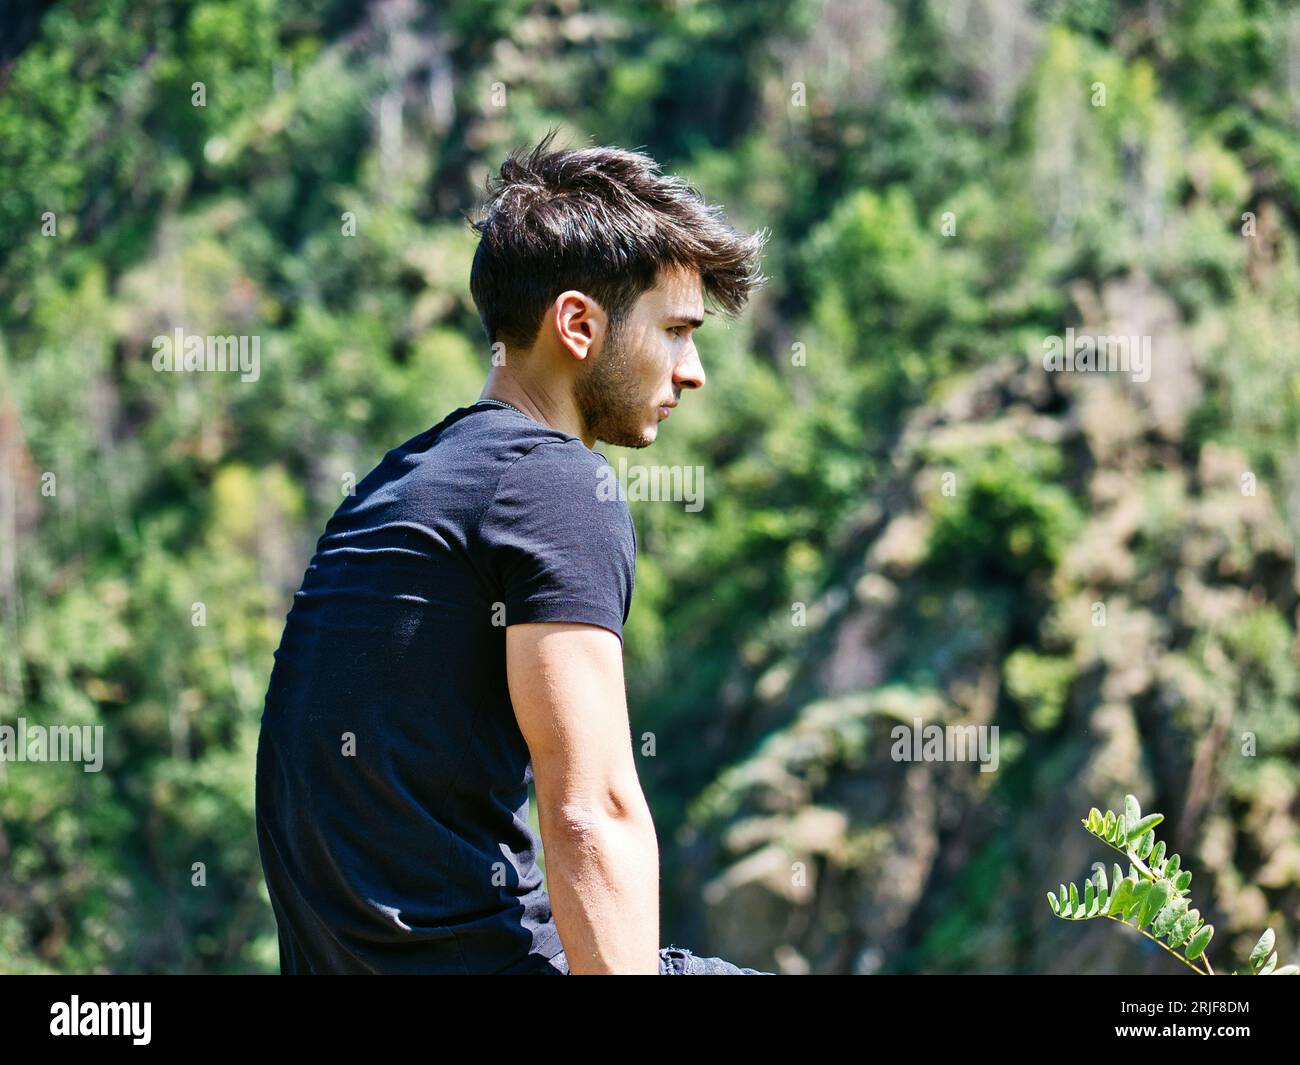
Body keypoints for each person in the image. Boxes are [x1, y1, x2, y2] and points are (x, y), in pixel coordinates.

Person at [254, 129, 771, 975]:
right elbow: (591, 813)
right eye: (676, 331)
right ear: (577, 324)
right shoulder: (556, 487)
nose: (694, 370)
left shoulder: (394, 486)